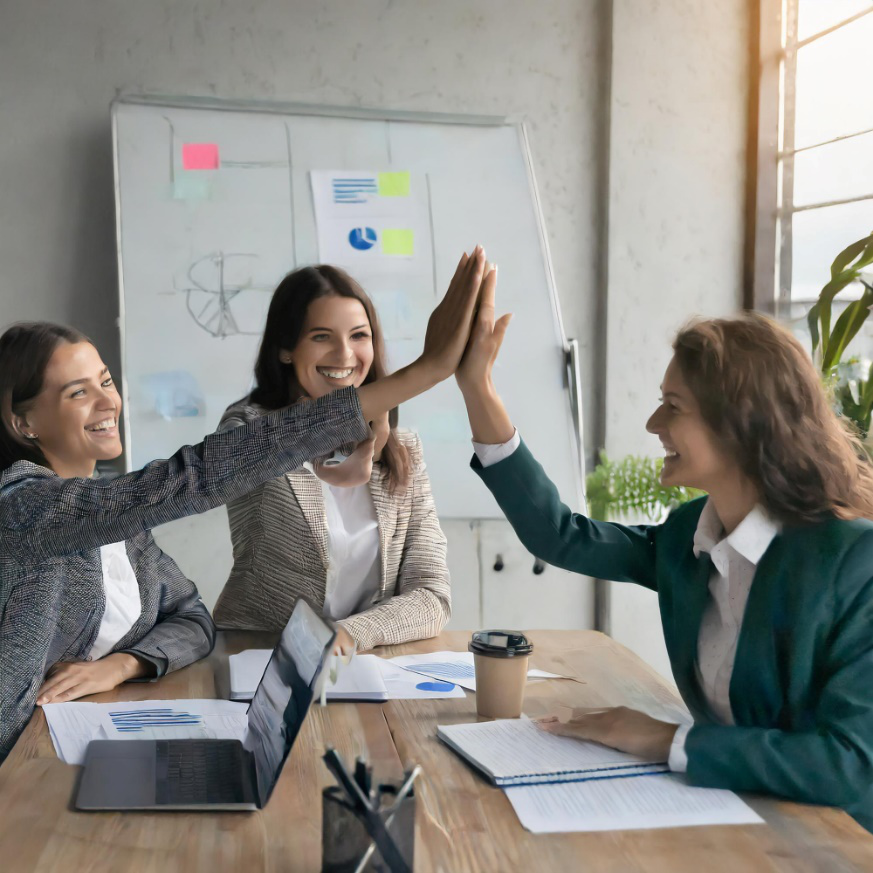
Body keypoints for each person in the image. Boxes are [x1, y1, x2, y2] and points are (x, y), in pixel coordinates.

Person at [0, 246, 487, 760]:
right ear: (22, 422)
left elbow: (190, 615)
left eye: (106, 382)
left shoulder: (119, 521)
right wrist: (421, 374)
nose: (108, 402)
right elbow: (204, 474)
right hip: (19, 756)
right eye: (79, 392)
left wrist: (123, 664)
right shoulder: (25, 506)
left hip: (68, 735)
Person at [455, 269, 873, 831]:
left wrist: (665, 739)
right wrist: (477, 387)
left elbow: (852, 768)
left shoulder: (853, 565)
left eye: (673, 406)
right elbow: (563, 535)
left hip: (836, 841)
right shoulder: (686, 540)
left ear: (743, 426)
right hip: (732, 817)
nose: (654, 423)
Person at [213, 265, 450, 654]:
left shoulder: (402, 451)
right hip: (256, 654)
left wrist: (348, 635)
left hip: (363, 662)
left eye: (359, 336)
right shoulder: (246, 430)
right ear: (286, 349)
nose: (345, 355)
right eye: (321, 337)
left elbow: (432, 595)